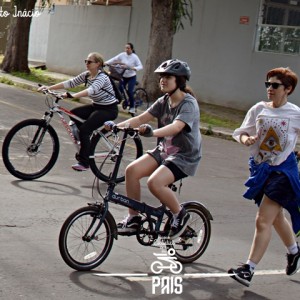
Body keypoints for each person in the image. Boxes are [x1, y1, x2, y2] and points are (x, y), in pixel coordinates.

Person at [105, 59, 202, 239]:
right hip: (165, 149)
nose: (163, 80)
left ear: (179, 80)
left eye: (168, 77)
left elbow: (176, 127)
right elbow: (141, 119)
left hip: (184, 155)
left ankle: (179, 214)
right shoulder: (163, 101)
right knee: (131, 171)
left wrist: (152, 133)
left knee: (154, 183)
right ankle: (133, 218)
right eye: (161, 77)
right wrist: (116, 126)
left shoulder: (188, 104)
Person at [228, 67, 300, 287]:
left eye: (275, 85)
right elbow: (240, 133)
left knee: (263, 219)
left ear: (287, 89)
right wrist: (246, 140)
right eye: (268, 84)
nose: (270, 88)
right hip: (260, 170)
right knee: (275, 217)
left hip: (283, 171)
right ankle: (295, 251)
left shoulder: (295, 113)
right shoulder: (258, 109)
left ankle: (248, 268)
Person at [38, 52, 119, 171]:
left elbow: (91, 90)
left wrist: (73, 95)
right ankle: (86, 143)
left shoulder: (102, 77)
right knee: (74, 114)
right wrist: (48, 87)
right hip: (96, 106)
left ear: (98, 64)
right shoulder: (87, 75)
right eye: (85, 61)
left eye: (89, 61)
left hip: (108, 109)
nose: (87, 63)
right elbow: (70, 83)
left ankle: (85, 162)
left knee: (85, 130)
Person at [105, 43, 143, 114]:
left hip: (132, 77)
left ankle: (132, 107)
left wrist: (133, 68)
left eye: (128, 48)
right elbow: (114, 59)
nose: (127, 49)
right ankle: (122, 100)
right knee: (119, 89)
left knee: (130, 91)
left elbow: (140, 66)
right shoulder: (122, 55)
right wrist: (105, 63)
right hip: (123, 76)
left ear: (132, 49)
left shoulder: (135, 57)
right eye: (126, 48)